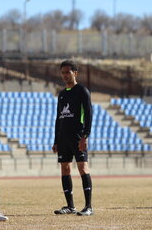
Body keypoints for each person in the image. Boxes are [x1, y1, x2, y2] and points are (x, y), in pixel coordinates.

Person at [52, 60, 93, 216]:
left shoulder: (82, 91)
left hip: (77, 136)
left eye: (67, 72)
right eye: (62, 72)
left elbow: (89, 115)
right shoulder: (62, 94)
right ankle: (70, 206)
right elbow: (58, 118)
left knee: (83, 168)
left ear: (75, 73)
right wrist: (56, 140)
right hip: (63, 137)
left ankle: (88, 206)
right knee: (65, 168)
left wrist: (85, 136)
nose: (64, 75)